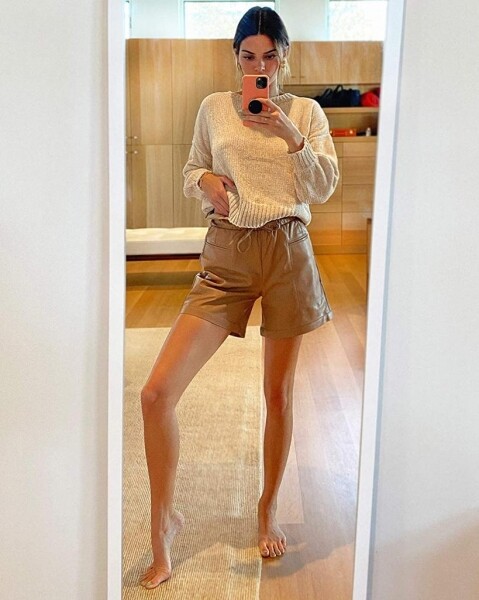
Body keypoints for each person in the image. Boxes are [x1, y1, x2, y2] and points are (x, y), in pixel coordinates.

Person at [139, 6, 339, 590]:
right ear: (236, 58)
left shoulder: (307, 114)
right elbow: (192, 168)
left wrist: (289, 135)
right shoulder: (212, 108)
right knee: (156, 394)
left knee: (278, 394)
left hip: (287, 251)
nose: (259, 69)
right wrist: (204, 181)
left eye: (269, 57)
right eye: (248, 58)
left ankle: (267, 508)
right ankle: (163, 523)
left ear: (285, 57)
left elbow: (322, 186)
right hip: (226, 253)